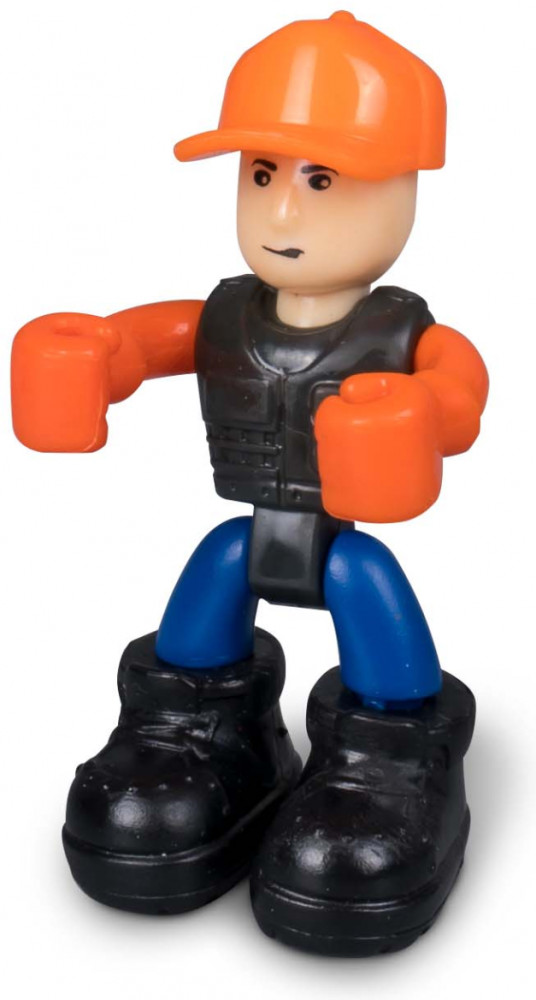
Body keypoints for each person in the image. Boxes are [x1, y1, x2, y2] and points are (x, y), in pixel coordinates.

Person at [11, 12, 488, 955]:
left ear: (404, 188)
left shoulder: (403, 335)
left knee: (366, 589)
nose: (281, 214)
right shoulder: (228, 316)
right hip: (250, 525)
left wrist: (424, 411)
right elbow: (148, 339)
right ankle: (191, 727)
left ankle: (390, 753)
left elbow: (460, 394)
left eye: (321, 181)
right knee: (219, 571)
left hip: (342, 541)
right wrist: (97, 355)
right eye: (263, 175)